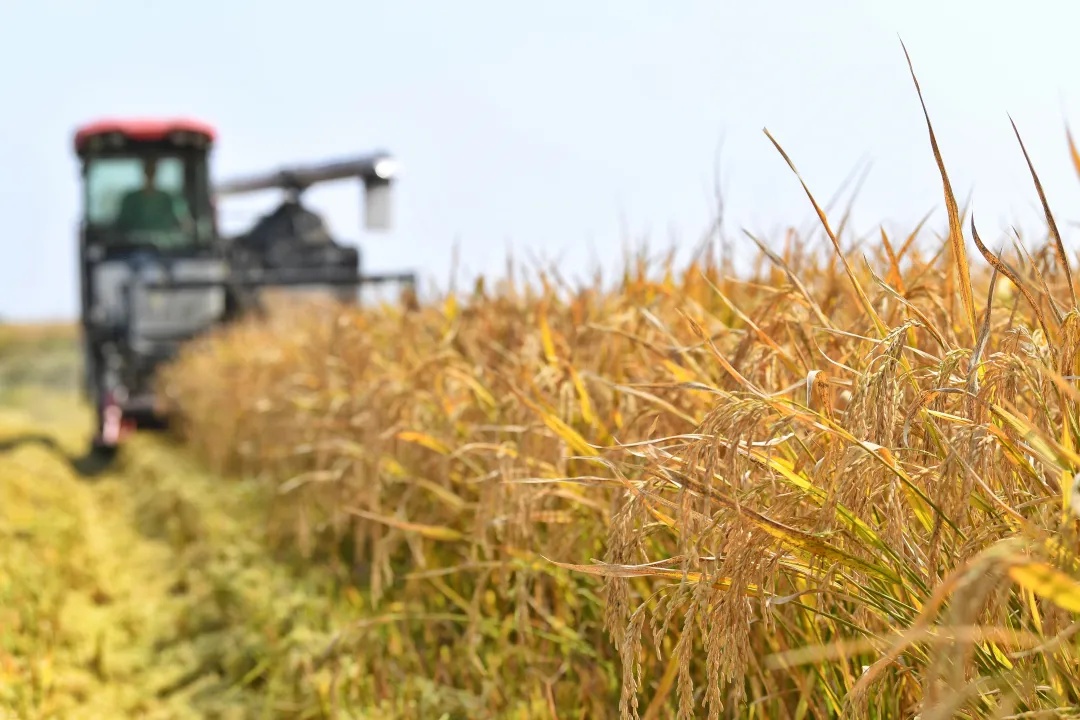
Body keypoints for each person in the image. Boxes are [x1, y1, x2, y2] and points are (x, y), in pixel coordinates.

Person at [114, 157, 191, 240]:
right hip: (134, 247)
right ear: (144, 171)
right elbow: (120, 226)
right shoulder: (130, 199)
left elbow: (186, 223)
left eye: (153, 169)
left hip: (166, 249)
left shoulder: (170, 199)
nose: (150, 173)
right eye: (148, 169)